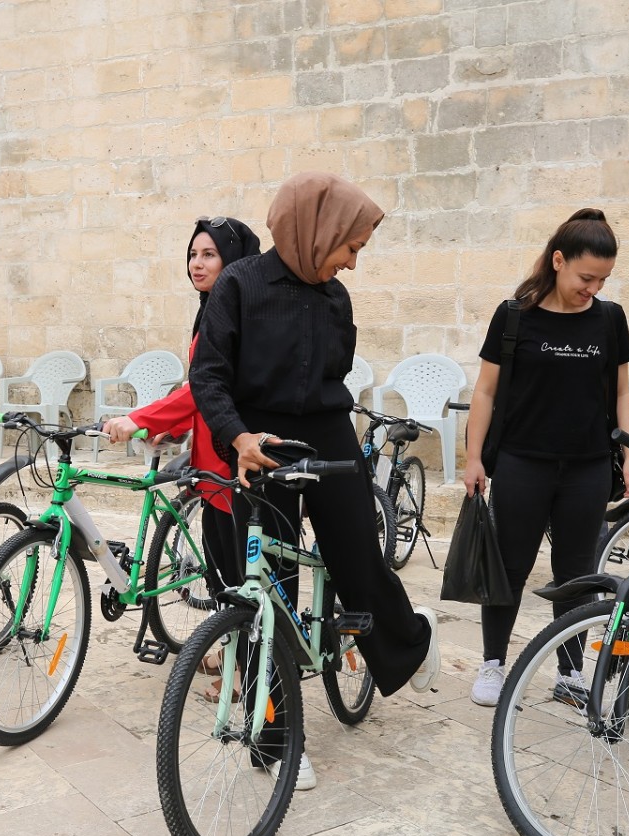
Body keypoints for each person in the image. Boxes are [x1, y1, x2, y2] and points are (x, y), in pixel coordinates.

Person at [190, 172, 442, 783]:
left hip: (327, 432)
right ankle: (274, 740)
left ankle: (407, 643)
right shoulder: (239, 287)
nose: (352, 263)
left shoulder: (335, 297)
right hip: (258, 442)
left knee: (357, 554)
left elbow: (339, 371)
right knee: (266, 589)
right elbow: (209, 377)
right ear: (316, 231)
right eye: (349, 247)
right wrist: (238, 436)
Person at [460, 209, 629, 707]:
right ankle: (494, 664)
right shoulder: (515, 316)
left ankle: (570, 671)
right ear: (558, 260)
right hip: (522, 463)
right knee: (510, 568)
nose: (594, 288)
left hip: (585, 467)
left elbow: (622, 392)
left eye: (603, 279)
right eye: (587, 277)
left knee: (577, 574)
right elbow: (484, 393)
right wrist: (473, 457)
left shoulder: (609, 318)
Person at [102, 216, 262, 596]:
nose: (197, 263)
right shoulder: (211, 309)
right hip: (210, 461)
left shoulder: (243, 316)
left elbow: (203, 387)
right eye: (193, 254)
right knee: (220, 566)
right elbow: (206, 390)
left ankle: (245, 653)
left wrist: (139, 416)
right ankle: (229, 648)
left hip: (234, 459)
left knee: (241, 571)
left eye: (210, 254)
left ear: (234, 261)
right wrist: (173, 428)